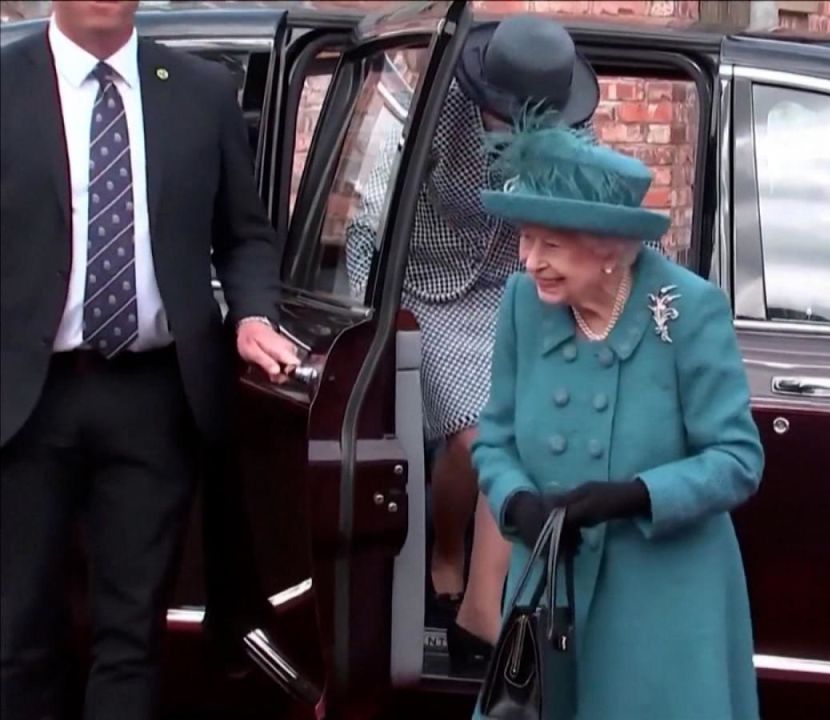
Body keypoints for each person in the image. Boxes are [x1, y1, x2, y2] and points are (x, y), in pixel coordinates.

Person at [0, 2, 299, 719]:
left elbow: (245, 236)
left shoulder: (199, 91)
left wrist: (254, 314)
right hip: (23, 401)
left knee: (132, 635)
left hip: (153, 400)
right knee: (17, 634)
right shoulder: (7, 84)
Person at [471, 117, 765, 719]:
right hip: (549, 591)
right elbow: (494, 439)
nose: (530, 261)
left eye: (550, 244)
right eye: (526, 240)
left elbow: (738, 460)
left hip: (662, 603)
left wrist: (633, 496)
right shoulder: (521, 304)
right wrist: (517, 504)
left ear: (607, 246)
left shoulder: (689, 311)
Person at [344, 14, 600, 674]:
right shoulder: (436, 107)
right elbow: (372, 214)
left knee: (516, 431)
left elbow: (610, 212)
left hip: (519, 292)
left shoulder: (568, 126)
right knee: (481, 436)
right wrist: (360, 318)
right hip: (430, 290)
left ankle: (482, 609)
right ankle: (451, 560)